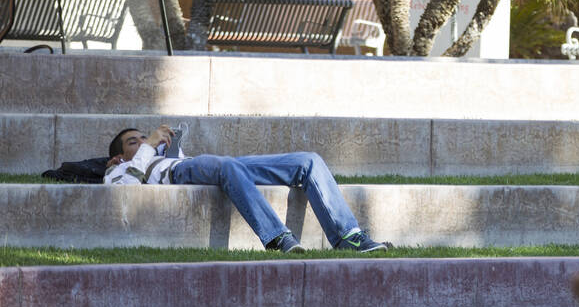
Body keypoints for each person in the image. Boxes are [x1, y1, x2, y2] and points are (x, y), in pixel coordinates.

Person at [104, 124, 391, 254]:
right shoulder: (116, 170)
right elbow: (127, 190)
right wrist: (149, 147)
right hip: (181, 173)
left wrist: (169, 147)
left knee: (308, 161)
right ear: (118, 156)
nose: (142, 142)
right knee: (227, 165)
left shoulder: (154, 153)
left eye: (144, 137)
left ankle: (348, 237)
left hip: (215, 166)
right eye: (134, 141)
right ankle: (277, 238)